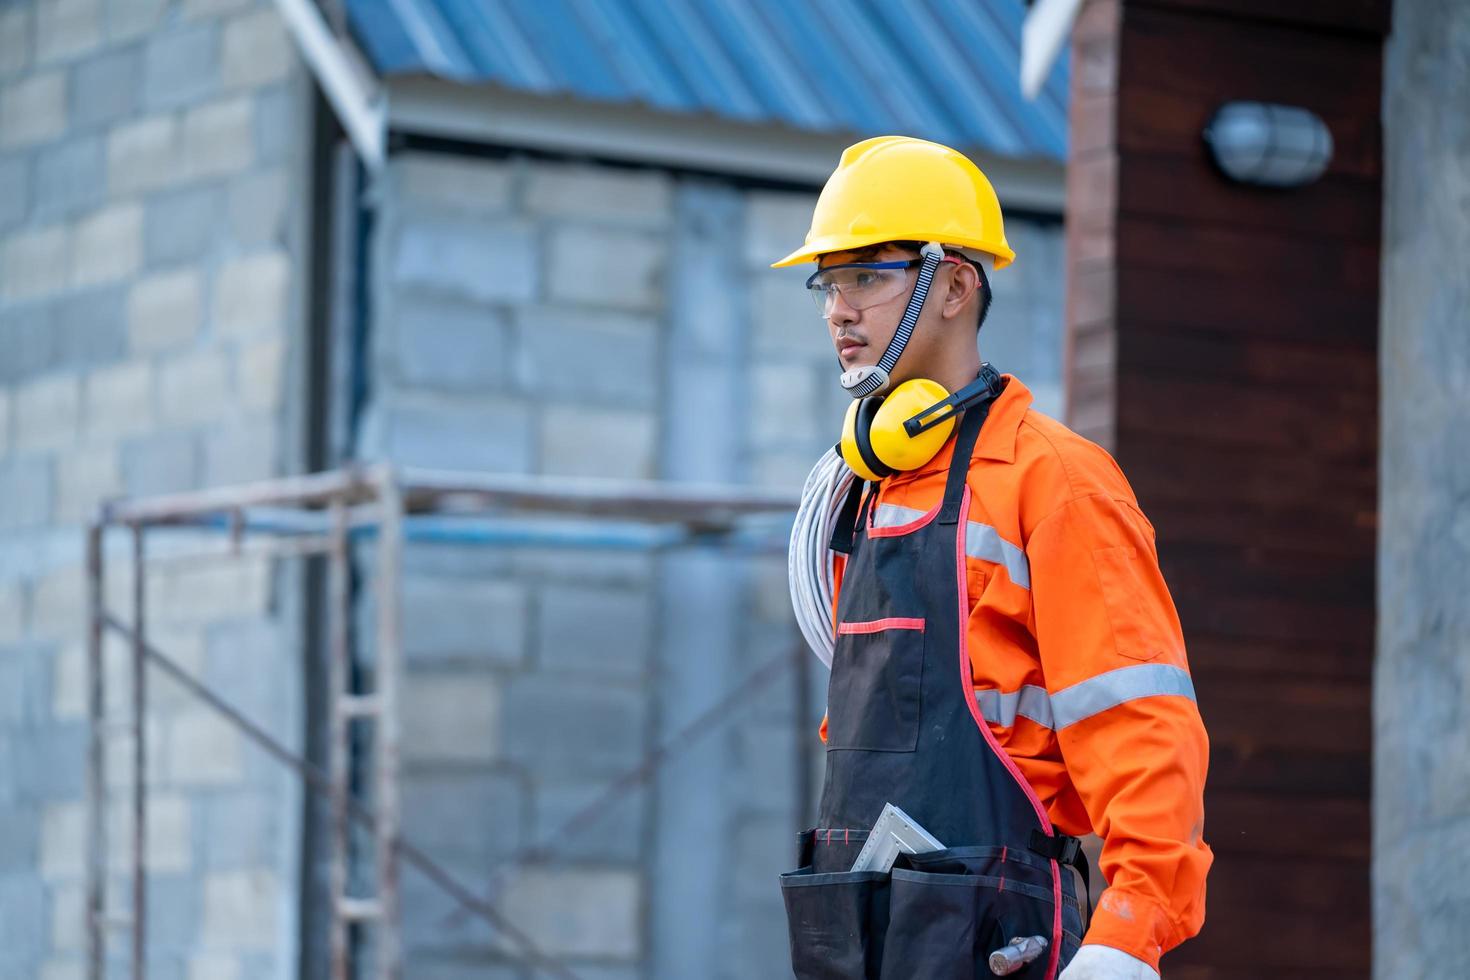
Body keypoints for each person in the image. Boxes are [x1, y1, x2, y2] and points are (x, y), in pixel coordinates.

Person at [774, 136, 1210, 980]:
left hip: (998, 940)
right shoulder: (862, 492)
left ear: (957, 286)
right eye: (829, 282)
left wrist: (1130, 930)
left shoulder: (1055, 482)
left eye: (868, 274)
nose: (839, 307)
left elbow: (1141, 721)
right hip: (862, 939)